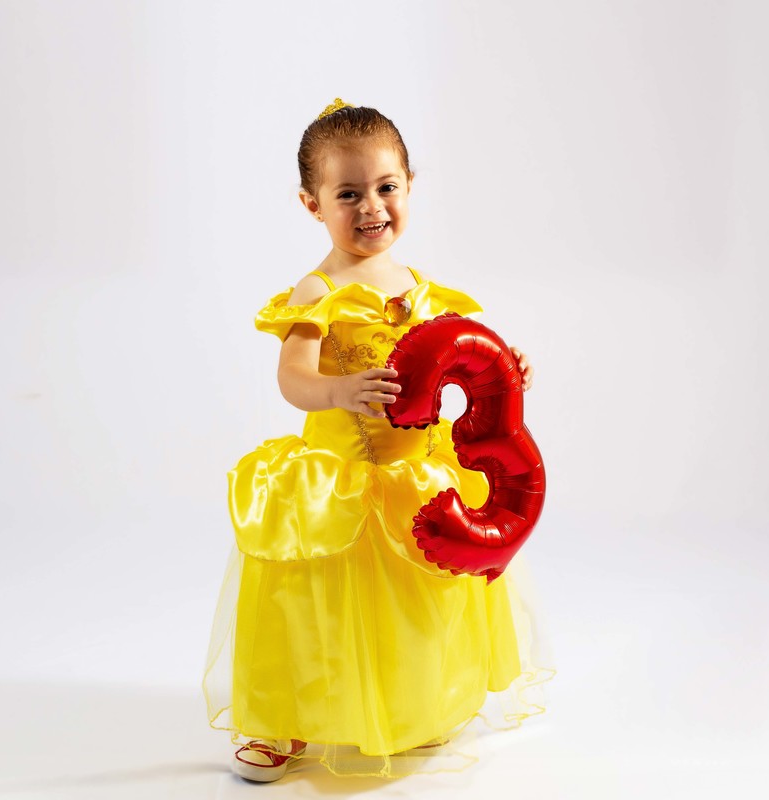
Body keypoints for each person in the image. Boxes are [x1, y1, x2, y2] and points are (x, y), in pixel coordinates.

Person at [203, 98, 555, 783]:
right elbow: (293, 376)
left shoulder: (425, 291)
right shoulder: (319, 290)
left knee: (416, 604)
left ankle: (413, 705)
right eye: (348, 194)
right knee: (317, 607)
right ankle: (282, 719)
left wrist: (508, 372)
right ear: (312, 205)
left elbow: (464, 363)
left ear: (410, 186)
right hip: (342, 478)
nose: (371, 206)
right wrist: (337, 390)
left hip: (417, 476)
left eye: (386, 186)